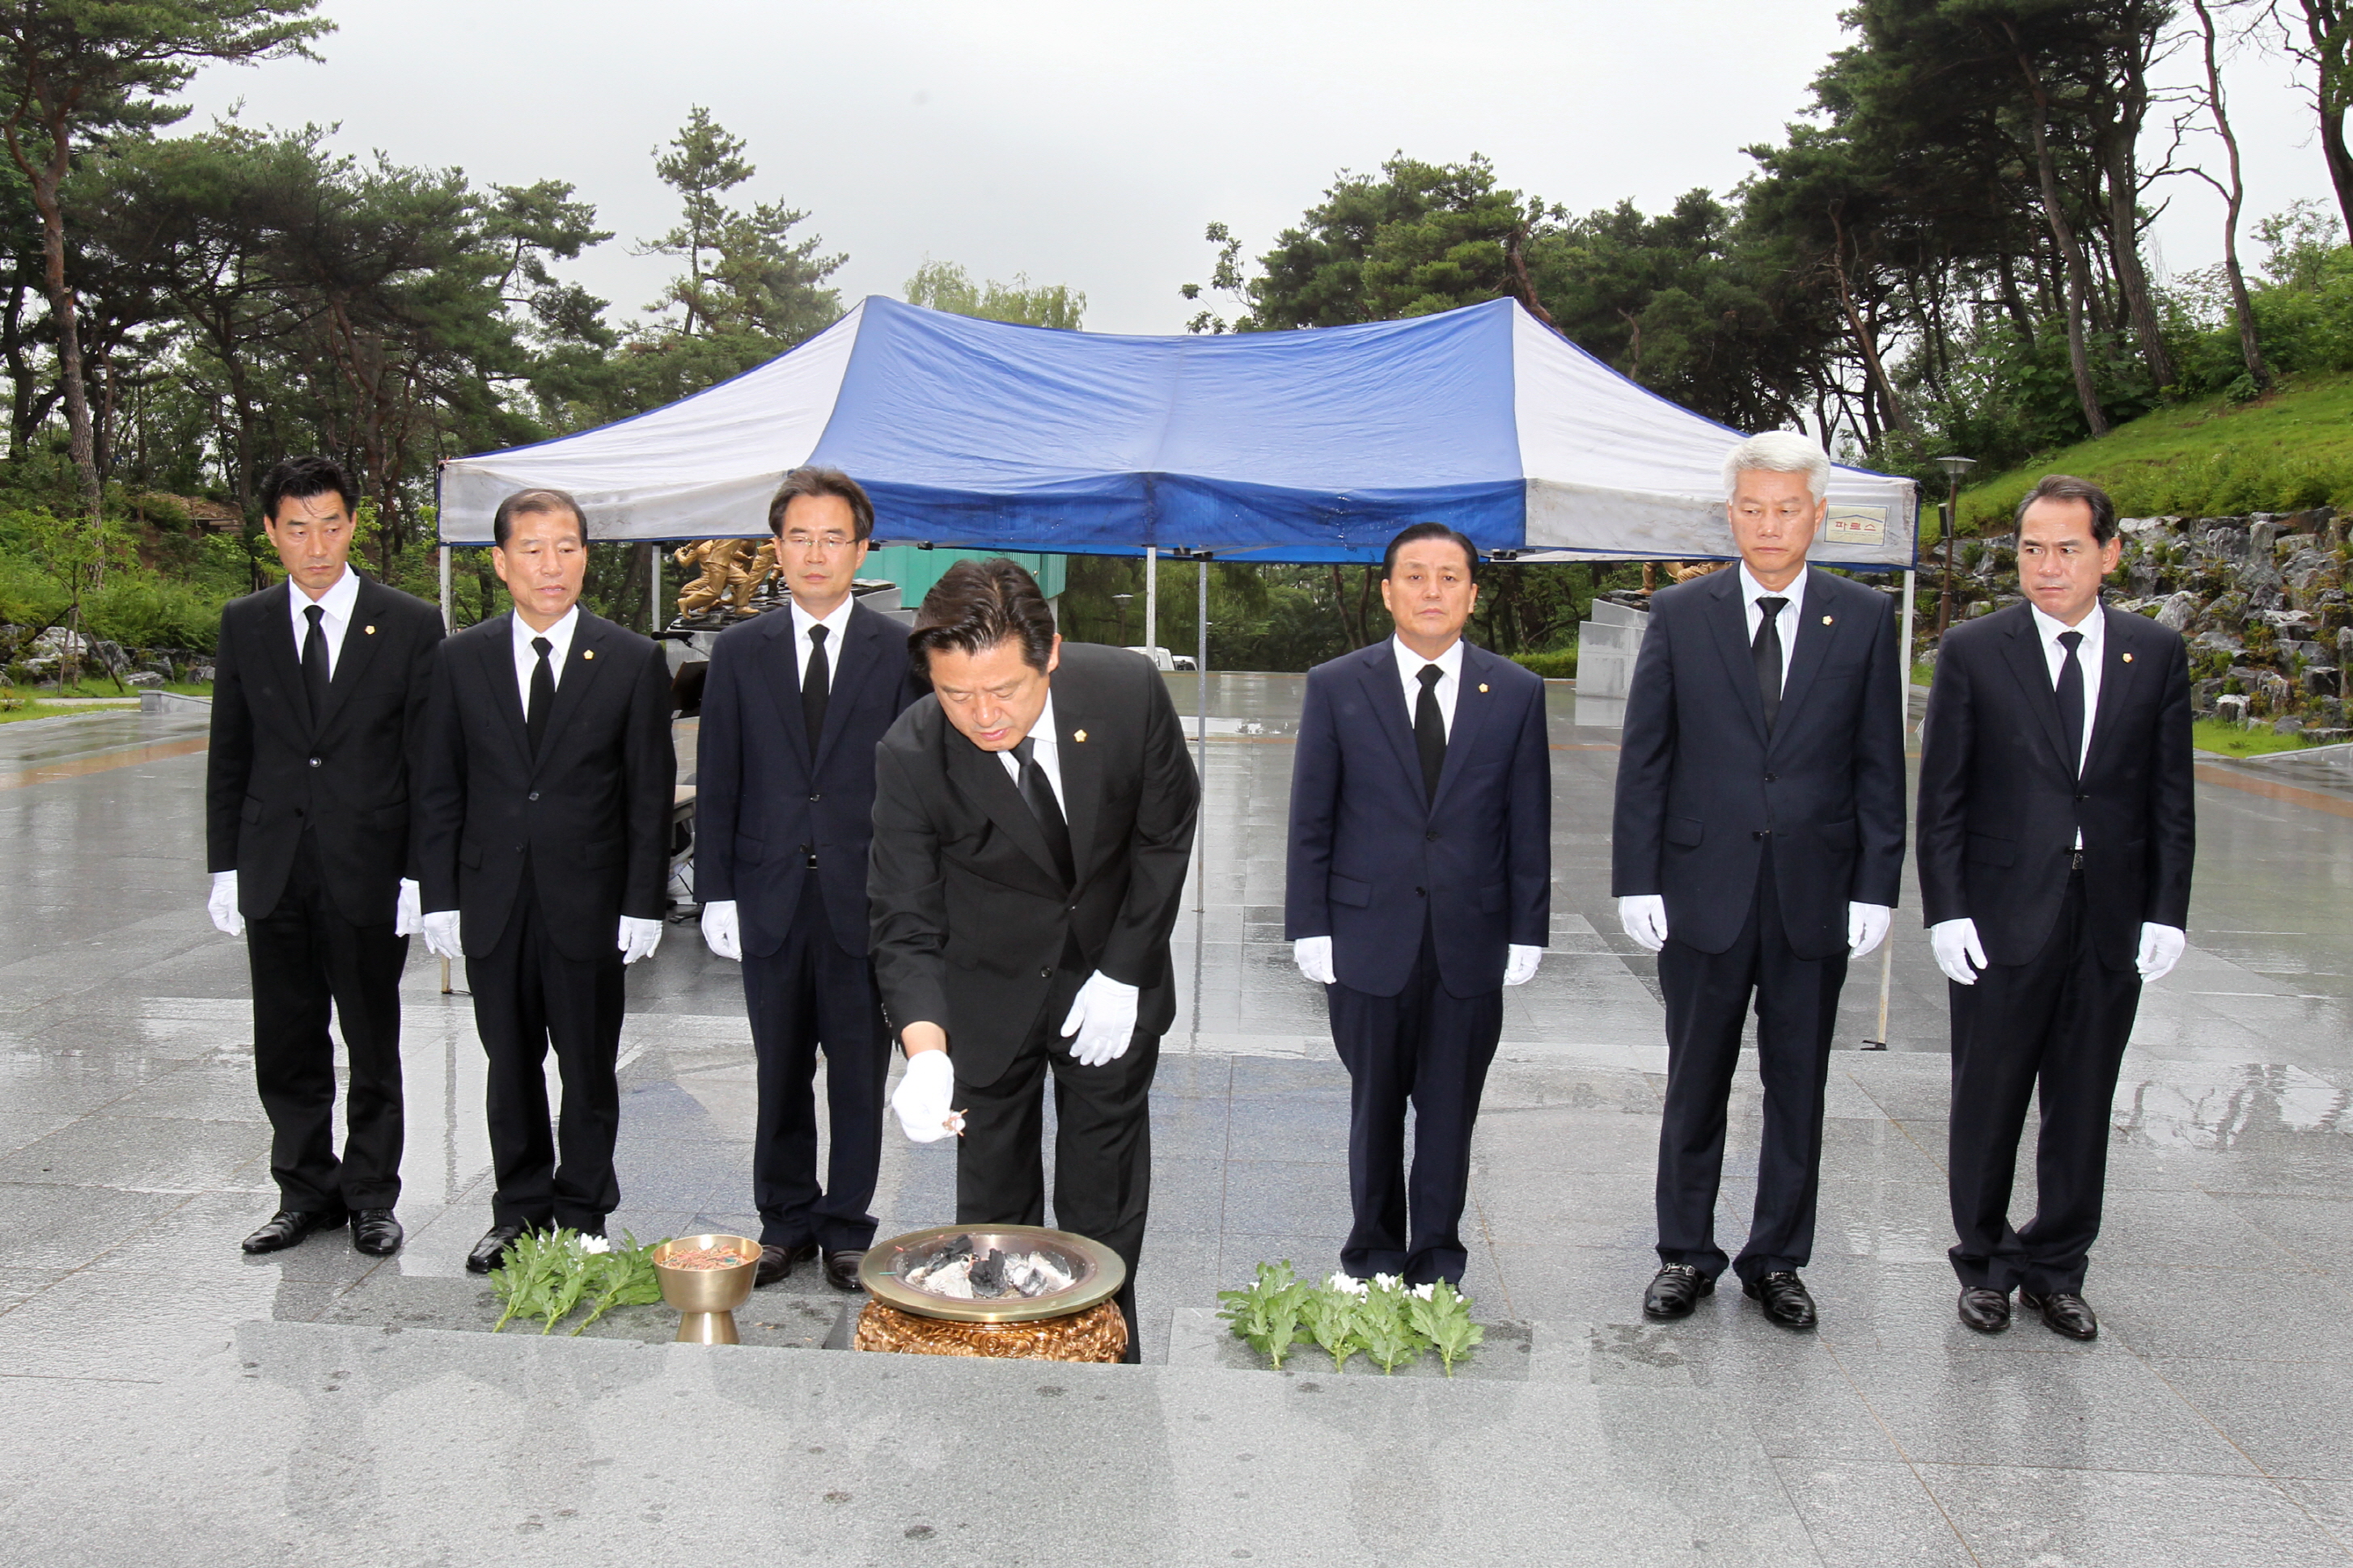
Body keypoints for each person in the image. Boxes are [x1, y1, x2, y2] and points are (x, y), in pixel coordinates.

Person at [1613, 430, 1906, 1330]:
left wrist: (1874, 884)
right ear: (1729, 513)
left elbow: (1876, 761)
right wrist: (1637, 877)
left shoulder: (1859, 618)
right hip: (1702, 887)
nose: (1767, 525)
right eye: (1751, 508)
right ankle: (1684, 1252)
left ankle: (1776, 1257)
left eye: (1785, 508)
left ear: (1816, 515)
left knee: (1797, 1083)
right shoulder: (1681, 615)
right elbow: (1646, 755)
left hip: (1811, 892)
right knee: (1693, 1077)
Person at [870, 559, 1198, 1358]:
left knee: (1104, 1192)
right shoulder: (911, 752)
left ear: (1047, 656)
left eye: (1003, 691)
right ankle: (1003, 1357)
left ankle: (1103, 1348)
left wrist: (1124, 968)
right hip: (983, 994)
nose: (981, 716)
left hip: (1108, 981)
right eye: (954, 694)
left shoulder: (1125, 693)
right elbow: (903, 919)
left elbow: (1162, 832)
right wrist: (925, 1052)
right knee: (993, 1211)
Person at [1919, 473, 2193, 1342]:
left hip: (2107, 913)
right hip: (2002, 913)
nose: (2045, 566)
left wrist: (2165, 909)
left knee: (2081, 1097)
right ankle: (1986, 1262)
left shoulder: (2151, 653)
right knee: (1988, 1093)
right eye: (2030, 548)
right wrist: (1946, 909)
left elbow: (2168, 794)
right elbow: (1943, 798)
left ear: (2107, 554)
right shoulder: (1973, 650)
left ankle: (2057, 1266)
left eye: (2066, 548)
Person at [413, 488, 675, 1273]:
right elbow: (439, 786)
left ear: (585, 556)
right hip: (494, 900)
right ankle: (519, 1208)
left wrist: (642, 901)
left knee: (589, 1063)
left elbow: (646, 792)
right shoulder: (459, 659)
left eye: (566, 546)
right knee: (510, 1062)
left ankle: (585, 1206)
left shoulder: (631, 660)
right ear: (499, 563)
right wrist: (440, 898)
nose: (549, 564)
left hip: (588, 902)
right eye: (531, 548)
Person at [1284, 522, 1551, 1285]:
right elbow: (1312, 816)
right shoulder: (1338, 684)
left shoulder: (1516, 692)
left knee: (1448, 1110)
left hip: (1470, 936)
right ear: (1387, 591)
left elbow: (1527, 819)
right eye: (1414, 576)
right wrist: (1311, 923)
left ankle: (1437, 1258)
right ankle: (1369, 1253)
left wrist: (1526, 927)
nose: (1431, 591)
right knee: (1374, 1106)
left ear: (1471, 592)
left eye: (1447, 577)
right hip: (1368, 934)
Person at [206, 456, 444, 1257]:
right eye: (298, 528)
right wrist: (224, 865)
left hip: (367, 865)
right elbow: (230, 752)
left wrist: (421, 872)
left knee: (372, 1038)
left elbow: (425, 760)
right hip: (274, 863)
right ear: (270, 531)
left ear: (353, 523)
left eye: (332, 525)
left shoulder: (408, 623)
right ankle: (303, 1191)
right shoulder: (246, 622)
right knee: (287, 1038)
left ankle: (372, 1194)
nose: (317, 545)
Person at [695, 469, 921, 1291]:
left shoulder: (898, 649)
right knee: (778, 1067)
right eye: (799, 535)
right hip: (770, 893)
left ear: (861, 549)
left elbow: (918, 780)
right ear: (776, 547)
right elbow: (720, 774)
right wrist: (715, 889)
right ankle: (783, 1219)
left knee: (858, 1070)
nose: (816, 552)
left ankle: (846, 1227)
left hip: (861, 896)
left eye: (834, 537)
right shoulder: (739, 651)